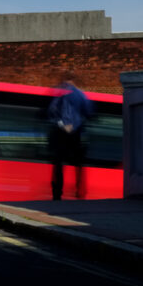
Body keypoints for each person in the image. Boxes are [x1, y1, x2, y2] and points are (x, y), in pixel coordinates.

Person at [47, 71, 94, 200]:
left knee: (59, 163)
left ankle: (57, 192)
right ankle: (80, 191)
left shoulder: (59, 93)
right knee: (78, 163)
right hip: (76, 132)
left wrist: (62, 124)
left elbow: (52, 112)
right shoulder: (81, 95)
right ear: (74, 81)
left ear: (65, 80)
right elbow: (89, 113)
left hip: (61, 132)